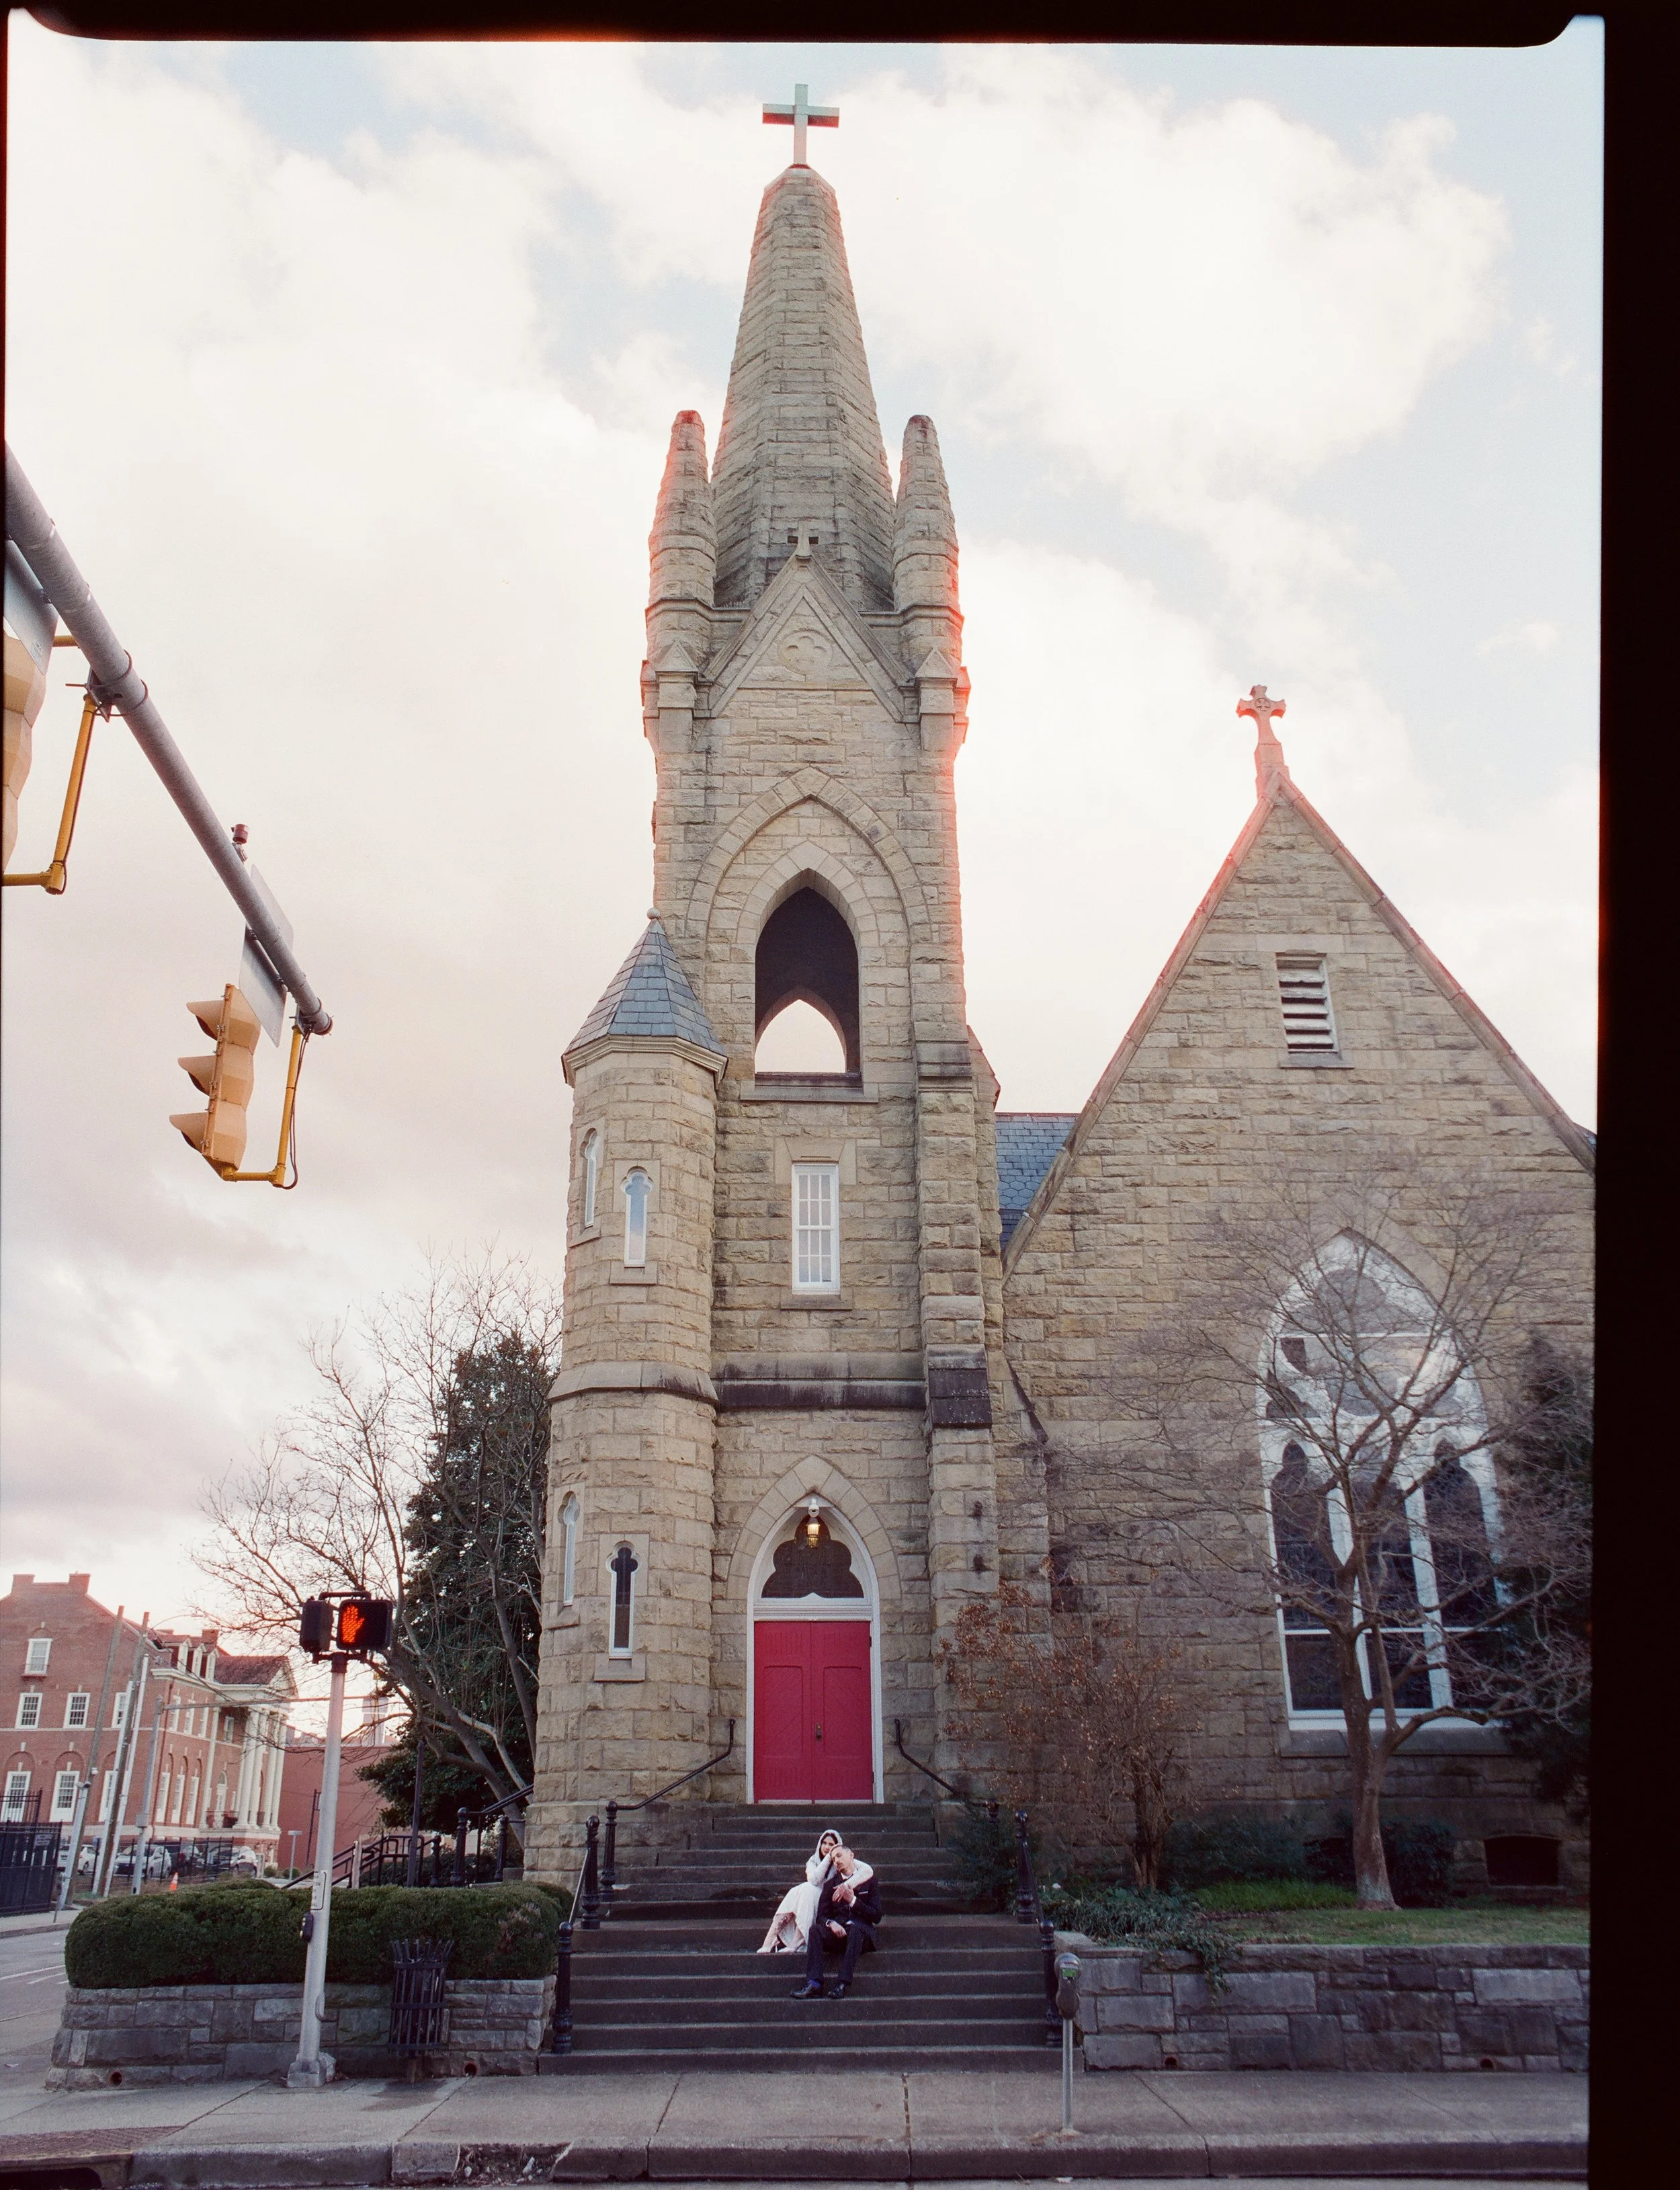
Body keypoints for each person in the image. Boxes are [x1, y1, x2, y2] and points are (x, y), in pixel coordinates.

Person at [757, 1828, 868, 1953]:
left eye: (831, 1845)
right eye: (824, 1843)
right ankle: (770, 1940)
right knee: (800, 1890)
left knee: (808, 1889)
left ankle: (794, 1943)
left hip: (828, 1905)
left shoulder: (841, 1859)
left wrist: (844, 1885)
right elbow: (814, 1880)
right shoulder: (812, 1861)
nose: (827, 1847)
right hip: (808, 1901)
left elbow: (868, 1870)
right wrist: (828, 1859)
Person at [792, 1844, 882, 2000]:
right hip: (840, 1933)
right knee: (815, 1930)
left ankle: (842, 1984)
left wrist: (852, 1900)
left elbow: (876, 1916)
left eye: (839, 1856)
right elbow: (821, 1916)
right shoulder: (830, 1885)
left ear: (852, 1855)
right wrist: (830, 1924)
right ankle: (815, 1984)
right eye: (833, 1859)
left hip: (861, 1936)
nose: (837, 1861)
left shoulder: (869, 1881)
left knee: (856, 1930)